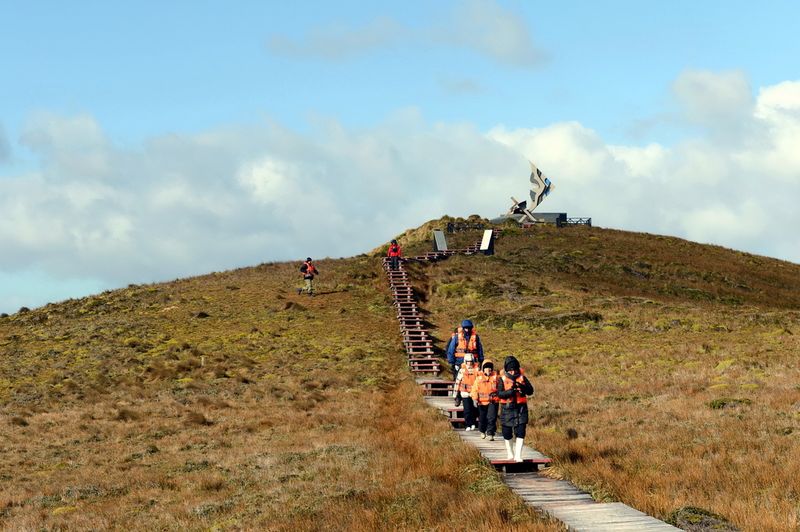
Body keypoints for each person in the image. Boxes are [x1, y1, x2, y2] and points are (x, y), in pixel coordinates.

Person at [496, 355, 534, 462]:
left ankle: (518, 456)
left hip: (521, 409)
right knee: (507, 433)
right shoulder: (502, 379)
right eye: (510, 370)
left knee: (521, 432)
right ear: (507, 370)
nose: (513, 372)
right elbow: (499, 394)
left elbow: (531, 391)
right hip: (507, 409)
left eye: (514, 370)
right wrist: (510, 392)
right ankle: (510, 454)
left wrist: (522, 388)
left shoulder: (522, 378)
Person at [471, 359, 499, 441]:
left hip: (493, 401)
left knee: (492, 417)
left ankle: (490, 433)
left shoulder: (496, 378)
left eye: (490, 368)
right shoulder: (478, 379)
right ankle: (482, 431)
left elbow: (500, 388)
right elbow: (474, 390)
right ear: (483, 369)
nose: (488, 369)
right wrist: (475, 399)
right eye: (486, 368)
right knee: (482, 418)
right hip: (481, 402)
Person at [452, 353, 480, 431]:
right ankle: (468, 424)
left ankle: (473, 423)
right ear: (465, 361)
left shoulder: (477, 370)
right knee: (467, 409)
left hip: (474, 393)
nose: (469, 363)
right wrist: (455, 395)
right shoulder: (462, 370)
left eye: (471, 361)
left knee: (474, 409)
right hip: (464, 393)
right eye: (468, 361)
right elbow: (457, 382)